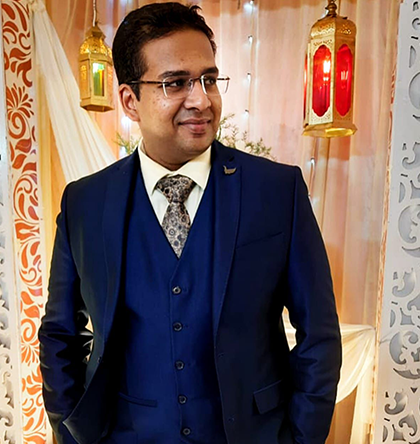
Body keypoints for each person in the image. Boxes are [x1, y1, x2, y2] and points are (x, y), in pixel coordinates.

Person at [39, 3, 342, 444]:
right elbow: (60, 335)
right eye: (176, 83)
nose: (201, 99)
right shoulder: (85, 202)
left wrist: (301, 438)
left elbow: (320, 338)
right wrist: (72, 434)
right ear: (129, 101)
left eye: (209, 80)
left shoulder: (277, 191)